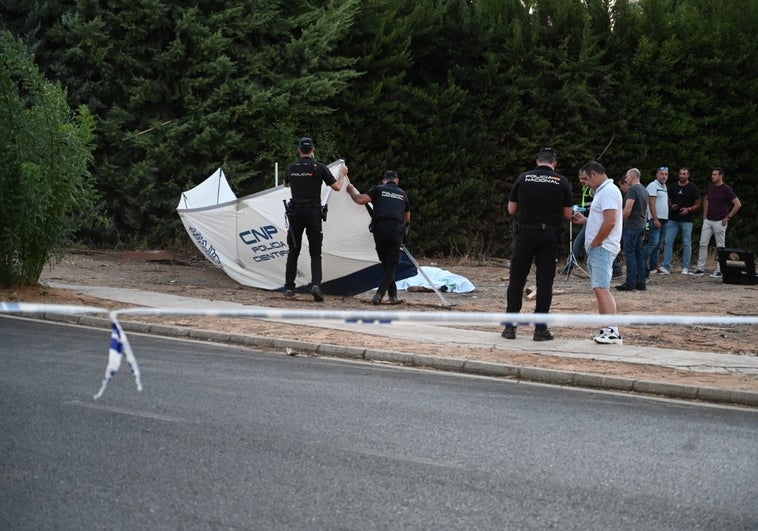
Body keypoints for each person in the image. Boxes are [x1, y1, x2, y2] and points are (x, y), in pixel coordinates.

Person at [502, 147, 573, 341]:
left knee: (516, 280)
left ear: (537, 161)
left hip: (525, 233)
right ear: (554, 164)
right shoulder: (561, 181)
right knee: (545, 282)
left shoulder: (523, 178)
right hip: (549, 236)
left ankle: (510, 327)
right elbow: (567, 214)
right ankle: (540, 329)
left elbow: (511, 209)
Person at [283, 137, 347, 301]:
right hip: (313, 212)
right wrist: (342, 174)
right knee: (315, 252)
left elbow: (286, 185)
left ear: (299, 150)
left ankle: (289, 287)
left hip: (295, 212)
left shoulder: (291, 168)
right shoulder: (319, 167)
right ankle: (316, 285)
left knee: (293, 250)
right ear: (313, 150)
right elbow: (337, 187)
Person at [570, 161, 623, 344]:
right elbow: (602, 219)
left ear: (594, 174)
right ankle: (607, 328)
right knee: (599, 288)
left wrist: (596, 242)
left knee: (601, 288)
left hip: (603, 247)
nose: (584, 184)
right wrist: (585, 220)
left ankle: (613, 331)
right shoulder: (602, 191)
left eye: (585, 179)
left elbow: (610, 221)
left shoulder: (608, 191)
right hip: (600, 247)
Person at [346, 170, 411, 305]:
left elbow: (360, 200)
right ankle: (380, 295)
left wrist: (351, 190)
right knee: (391, 265)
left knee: (386, 263)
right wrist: (402, 232)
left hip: (379, 230)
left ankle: (392, 295)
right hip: (396, 230)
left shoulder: (378, 189)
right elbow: (407, 218)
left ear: (384, 180)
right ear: (397, 181)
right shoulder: (403, 194)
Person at [692, 166, 741, 278]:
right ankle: (700, 268)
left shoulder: (726, 189)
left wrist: (728, 217)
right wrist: (705, 215)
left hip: (720, 221)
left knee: (720, 246)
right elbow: (706, 199)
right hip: (708, 220)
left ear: (720, 176)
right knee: (703, 243)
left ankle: (720, 269)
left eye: (715, 174)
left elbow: (737, 204)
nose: (713, 176)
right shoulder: (711, 187)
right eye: (712, 174)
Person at [661, 166, 701, 275]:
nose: (682, 176)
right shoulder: (673, 187)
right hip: (673, 219)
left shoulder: (692, 187)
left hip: (687, 220)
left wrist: (689, 209)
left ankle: (685, 267)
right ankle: (666, 266)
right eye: (680, 174)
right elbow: (668, 200)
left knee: (687, 243)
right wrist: (671, 205)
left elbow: (698, 203)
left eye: (684, 174)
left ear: (688, 175)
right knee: (668, 242)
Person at [616, 168, 649, 291]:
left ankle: (630, 283)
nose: (626, 179)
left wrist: (618, 222)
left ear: (633, 176)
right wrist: (645, 226)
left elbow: (628, 209)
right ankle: (641, 282)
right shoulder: (644, 190)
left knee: (629, 255)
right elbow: (645, 211)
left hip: (631, 226)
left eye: (627, 176)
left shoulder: (633, 190)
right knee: (639, 254)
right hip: (640, 225)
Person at [560, 175, 593, 275]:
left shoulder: (592, 189)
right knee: (578, 244)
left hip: (590, 220)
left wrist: (582, 209)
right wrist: (579, 207)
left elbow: (595, 204)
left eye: (583, 178)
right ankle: (568, 268)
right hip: (587, 219)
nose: (581, 181)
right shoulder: (586, 188)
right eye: (580, 179)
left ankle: (568, 268)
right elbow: (586, 203)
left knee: (577, 243)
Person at [645, 166, 670, 275]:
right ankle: (640, 262)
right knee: (653, 243)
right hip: (655, 219)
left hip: (664, 219)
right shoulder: (652, 185)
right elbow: (651, 203)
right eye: (662, 174)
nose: (664, 176)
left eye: (666, 174)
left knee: (658, 245)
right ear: (657, 174)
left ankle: (653, 267)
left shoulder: (664, 186)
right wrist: (655, 218)